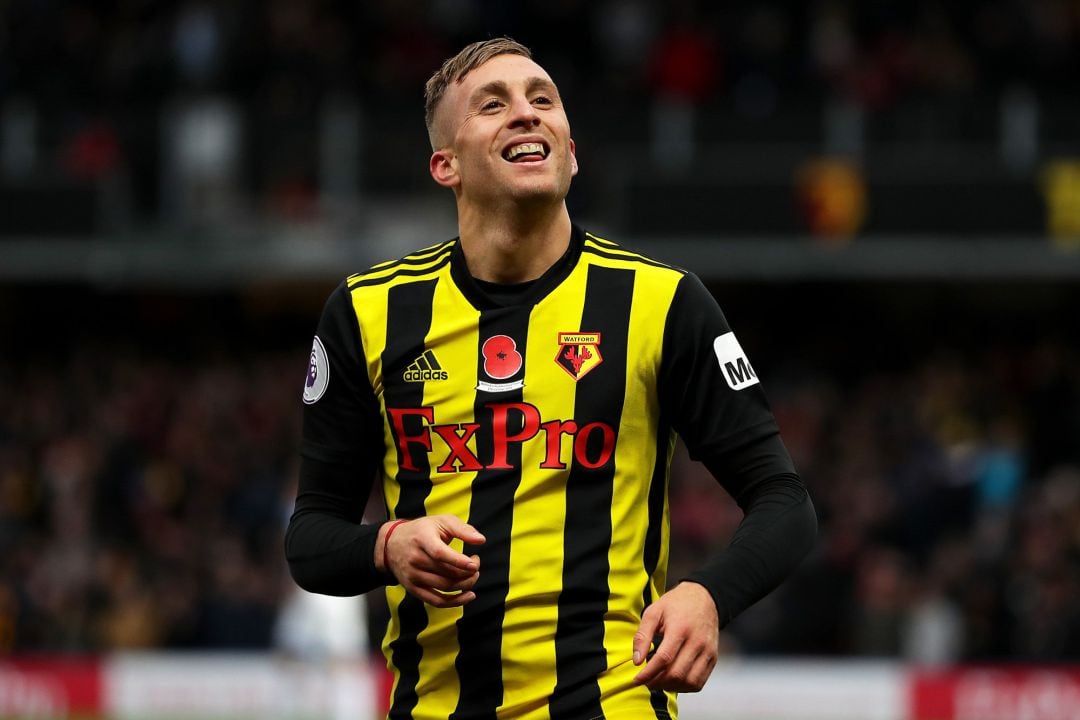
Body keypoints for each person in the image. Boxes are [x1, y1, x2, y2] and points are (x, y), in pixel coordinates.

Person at [285, 37, 817, 720]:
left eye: (543, 100)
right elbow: (310, 540)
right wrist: (386, 546)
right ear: (445, 165)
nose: (526, 113)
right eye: (493, 104)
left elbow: (785, 501)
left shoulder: (662, 305)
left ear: (570, 150)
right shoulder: (368, 311)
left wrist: (708, 595)